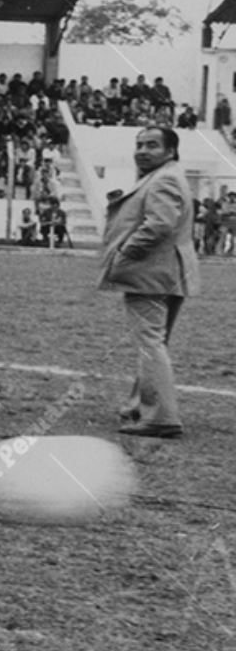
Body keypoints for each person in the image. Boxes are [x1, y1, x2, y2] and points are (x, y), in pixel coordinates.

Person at [102, 126, 199, 439]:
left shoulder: (164, 178)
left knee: (150, 344)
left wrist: (124, 254)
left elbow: (158, 225)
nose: (142, 150)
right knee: (154, 342)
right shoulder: (164, 175)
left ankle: (160, 418)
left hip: (151, 273)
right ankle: (139, 405)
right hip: (168, 272)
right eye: (139, 144)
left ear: (170, 151)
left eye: (152, 145)